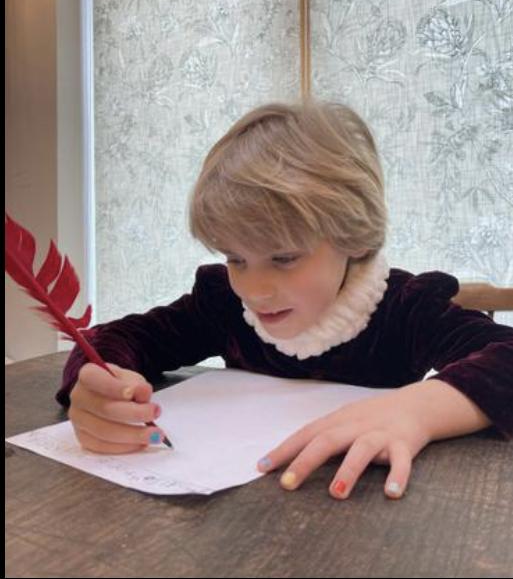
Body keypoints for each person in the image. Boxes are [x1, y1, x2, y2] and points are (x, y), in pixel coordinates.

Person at [57, 101, 513, 500]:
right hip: (239, 511)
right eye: (236, 258)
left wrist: (417, 411)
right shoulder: (221, 304)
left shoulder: (405, 308)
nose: (254, 289)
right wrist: (99, 385)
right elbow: (111, 339)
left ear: (352, 237)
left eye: (284, 258)